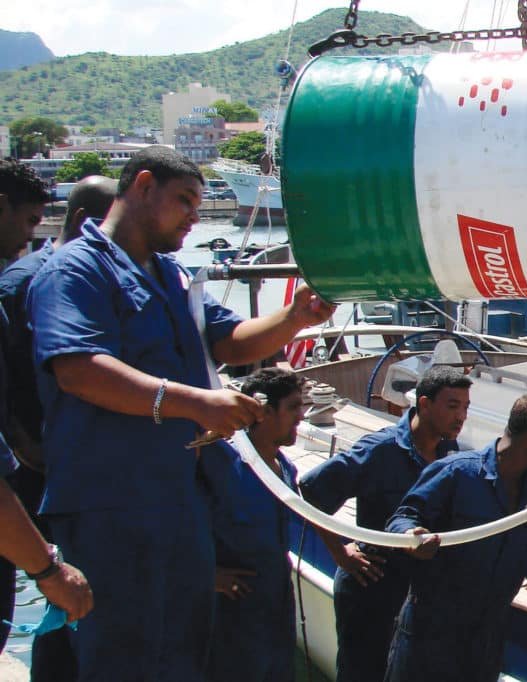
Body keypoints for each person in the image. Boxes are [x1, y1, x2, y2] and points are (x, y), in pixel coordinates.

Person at [26, 145, 336, 681]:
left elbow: (230, 340)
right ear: (143, 186)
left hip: (180, 500)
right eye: (186, 200)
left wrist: (293, 318)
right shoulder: (74, 271)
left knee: (186, 649)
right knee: (121, 654)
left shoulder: (171, 276)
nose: (197, 215)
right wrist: (196, 403)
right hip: (111, 507)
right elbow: (78, 368)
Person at [384, 391, 527, 682]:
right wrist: (411, 536)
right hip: (429, 641)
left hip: (483, 645)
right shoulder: (456, 473)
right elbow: (403, 518)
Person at [0, 173, 116, 681]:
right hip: (36, 476)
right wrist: (25, 445)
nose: (29, 235)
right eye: (26, 221)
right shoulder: (22, 286)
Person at [299, 365, 471, 682]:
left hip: (414, 593)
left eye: (465, 407)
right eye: (452, 406)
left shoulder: (449, 450)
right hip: (371, 588)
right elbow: (311, 491)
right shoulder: (380, 450)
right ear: (423, 404)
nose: (461, 416)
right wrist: (341, 553)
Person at [199, 368, 303, 682]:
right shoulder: (218, 464)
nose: (301, 416)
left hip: (276, 612)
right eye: (294, 407)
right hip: (231, 618)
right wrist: (206, 575)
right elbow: (174, 524)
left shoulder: (286, 469)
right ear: (266, 412)